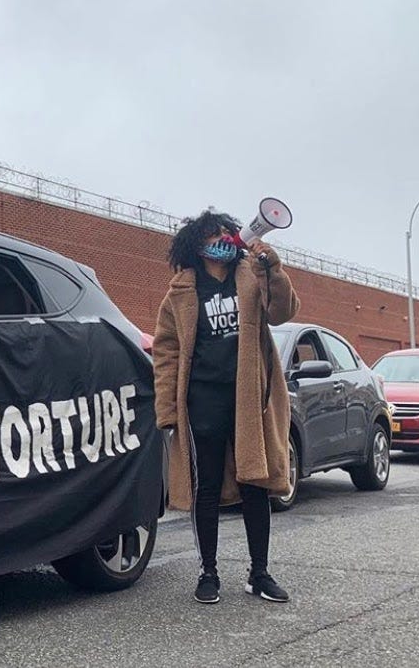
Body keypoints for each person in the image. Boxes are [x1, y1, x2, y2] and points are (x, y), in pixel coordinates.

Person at [153, 209, 300, 604]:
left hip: (249, 399)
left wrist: (274, 268)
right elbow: (166, 352)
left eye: (226, 233)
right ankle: (208, 573)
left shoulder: (251, 275)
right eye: (213, 235)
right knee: (207, 487)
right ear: (196, 245)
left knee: (257, 482)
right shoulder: (181, 291)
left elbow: (283, 312)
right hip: (202, 399)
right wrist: (167, 410)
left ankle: (260, 573)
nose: (222, 240)